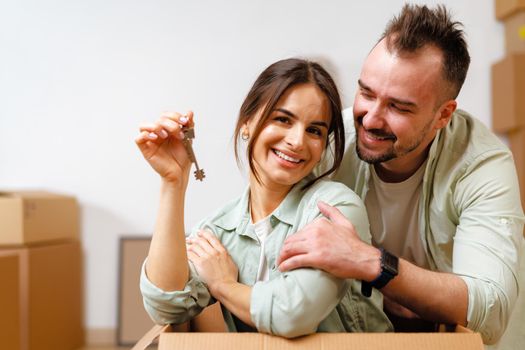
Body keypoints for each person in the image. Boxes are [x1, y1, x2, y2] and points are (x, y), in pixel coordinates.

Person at [276, 4, 525, 344]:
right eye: (366, 92)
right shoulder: (334, 141)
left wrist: (371, 265)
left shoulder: (482, 165)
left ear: (443, 115)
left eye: (398, 107)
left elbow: (491, 308)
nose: (371, 118)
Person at [136, 58, 392, 337]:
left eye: (314, 130)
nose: (297, 141)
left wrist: (224, 285)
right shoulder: (220, 229)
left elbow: (293, 314)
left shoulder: (336, 209)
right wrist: (173, 182)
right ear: (247, 122)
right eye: (283, 119)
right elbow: (166, 306)